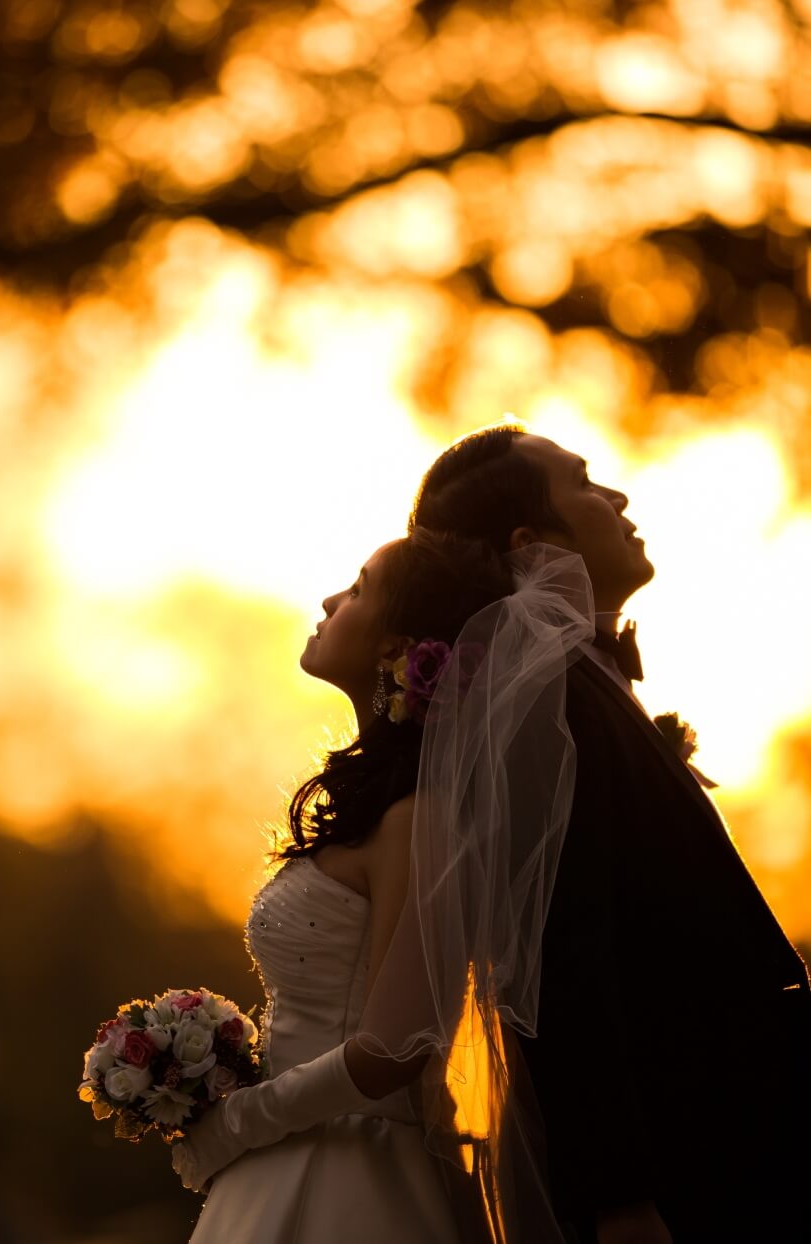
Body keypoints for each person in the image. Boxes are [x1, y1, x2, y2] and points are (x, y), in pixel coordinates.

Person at [410, 422, 811, 1244]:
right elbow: (559, 952)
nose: (619, 496)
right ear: (530, 543)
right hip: (686, 1158)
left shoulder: (583, 679)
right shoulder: (538, 702)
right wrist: (618, 1197)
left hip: (747, 1122)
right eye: (586, 483)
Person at [170, 527, 527, 1242]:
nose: (331, 599)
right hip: (281, 1163)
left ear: (400, 648)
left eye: (359, 588)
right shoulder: (380, 805)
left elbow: (398, 1047)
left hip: (349, 1180)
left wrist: (238, 1122)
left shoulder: (416, 818)